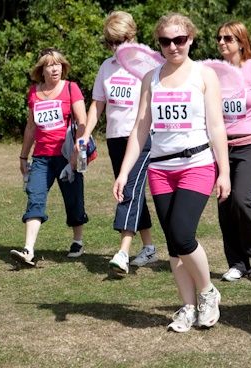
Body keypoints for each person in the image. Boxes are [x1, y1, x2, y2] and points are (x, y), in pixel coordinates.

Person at [113, 13, 230, 332]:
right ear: (159, 43)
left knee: (182, 234)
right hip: (161, 169)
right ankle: (188, 307)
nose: (173, 46)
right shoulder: (151, 77)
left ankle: (208, 292)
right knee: (174, 244)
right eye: (166, 41)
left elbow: (217, 126)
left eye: (179, 39)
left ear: (191, 39)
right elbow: (140, 128)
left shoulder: (204, 75)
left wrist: (225, 172)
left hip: (197, 164)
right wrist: (124, 172)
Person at [79, 11, 156, 275]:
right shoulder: (106, 67)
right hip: (115, 138)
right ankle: (148, 247)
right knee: (130, 190)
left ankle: (123, 252)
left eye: (120, 41)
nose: (116, 47)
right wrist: (86, 132)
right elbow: (97, 104)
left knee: (127, 191)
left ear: (132, 37)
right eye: (111, 42)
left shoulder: (148, 67)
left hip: (143, 138)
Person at [10, 48, 89, 265]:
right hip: (42, 158)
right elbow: (30, 127)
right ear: (41, 70)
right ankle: (28, 250)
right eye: (49, 65)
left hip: (67, 155)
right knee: (34, 197)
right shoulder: (34, 92)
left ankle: (78, 240)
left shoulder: (71, 88)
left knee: (74, 200)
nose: (54, 68)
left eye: (57, 64)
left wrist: (78, 156)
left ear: (62, 67)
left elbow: (83, 123)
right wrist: (23, 157)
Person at [215, 21, 251, 281]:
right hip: (221, 145)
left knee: (242, 198)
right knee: (225, 202)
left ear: (241, 42)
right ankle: (237, 263)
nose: (222, 42)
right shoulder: (214, 72)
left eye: (228, 38)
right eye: (219, 38)